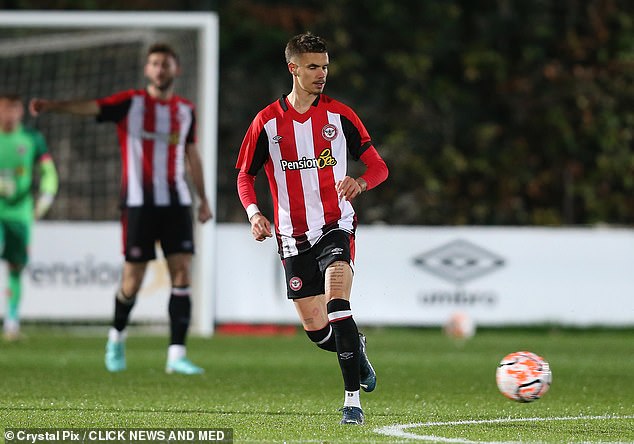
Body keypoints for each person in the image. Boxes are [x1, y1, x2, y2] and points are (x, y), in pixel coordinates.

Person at [29, 43, 213, 375]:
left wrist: (203, 199)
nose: (160, 69)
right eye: (155, 64)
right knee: (132, 280)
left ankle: (176, 355)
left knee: (182, 274)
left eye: (166, 64)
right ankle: (115, 337)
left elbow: (192, 154)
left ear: (176, 70)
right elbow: (90, 107)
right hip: (138, 204)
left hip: (177, 204)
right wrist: (53, 106)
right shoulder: (130, 104)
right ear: (147, 70)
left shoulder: (186, 110)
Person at [235, 33, 388, 425]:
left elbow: (379, 166)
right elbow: (244, 177)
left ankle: (352, 402)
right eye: (313, 67)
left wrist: (361, 183)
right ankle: (358, 349)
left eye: (325, 66)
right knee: (319, 332)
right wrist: (254, 214)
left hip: (336, 225)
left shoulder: (341, 116)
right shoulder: (267, 122)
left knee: (339, 304)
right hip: (291, 236)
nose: (322, 74)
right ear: (293, 69)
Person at [0, 93, 59, 341]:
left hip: (20, 213)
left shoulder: (32, 139)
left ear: (21, 112)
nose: (9, 114)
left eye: (14, 109)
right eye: (5, 109)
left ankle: (11, 323)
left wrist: (45, 199)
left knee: (16, 266)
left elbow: (49, 172)